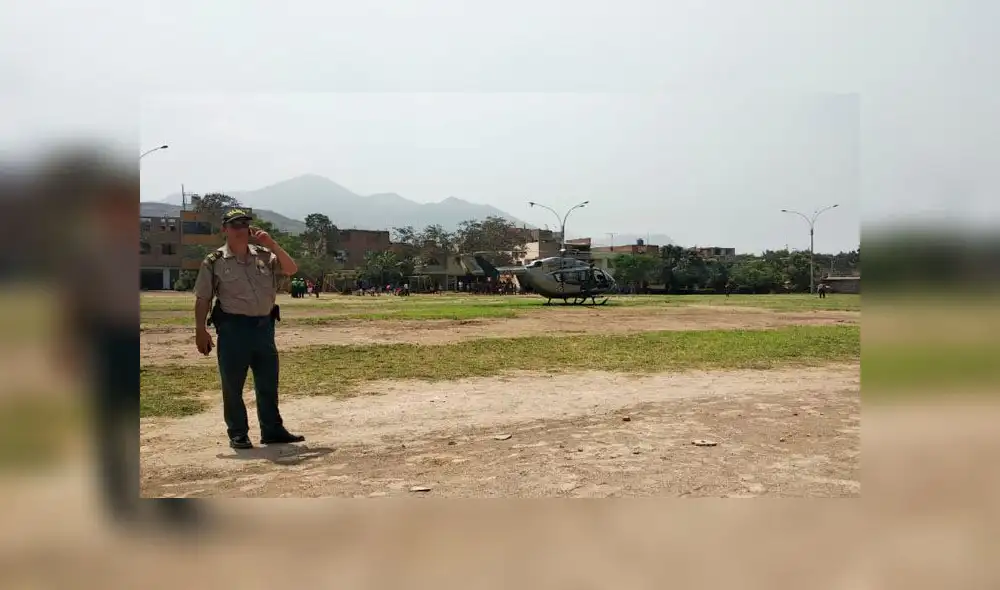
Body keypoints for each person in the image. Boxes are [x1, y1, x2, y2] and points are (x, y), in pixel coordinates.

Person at [193, 209, 305, 449]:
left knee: (267, 383)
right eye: (235, 225)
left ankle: (272, 429)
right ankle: (238, 432)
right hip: (234, 329)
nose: (241, 229)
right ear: (225, 229)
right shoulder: (214, 262)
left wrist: (272, 243)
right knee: (233, 385)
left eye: (244, 225)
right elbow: (203, 299)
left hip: (264, 328)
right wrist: (200, 330)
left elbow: (291, 269)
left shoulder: (264, 256)